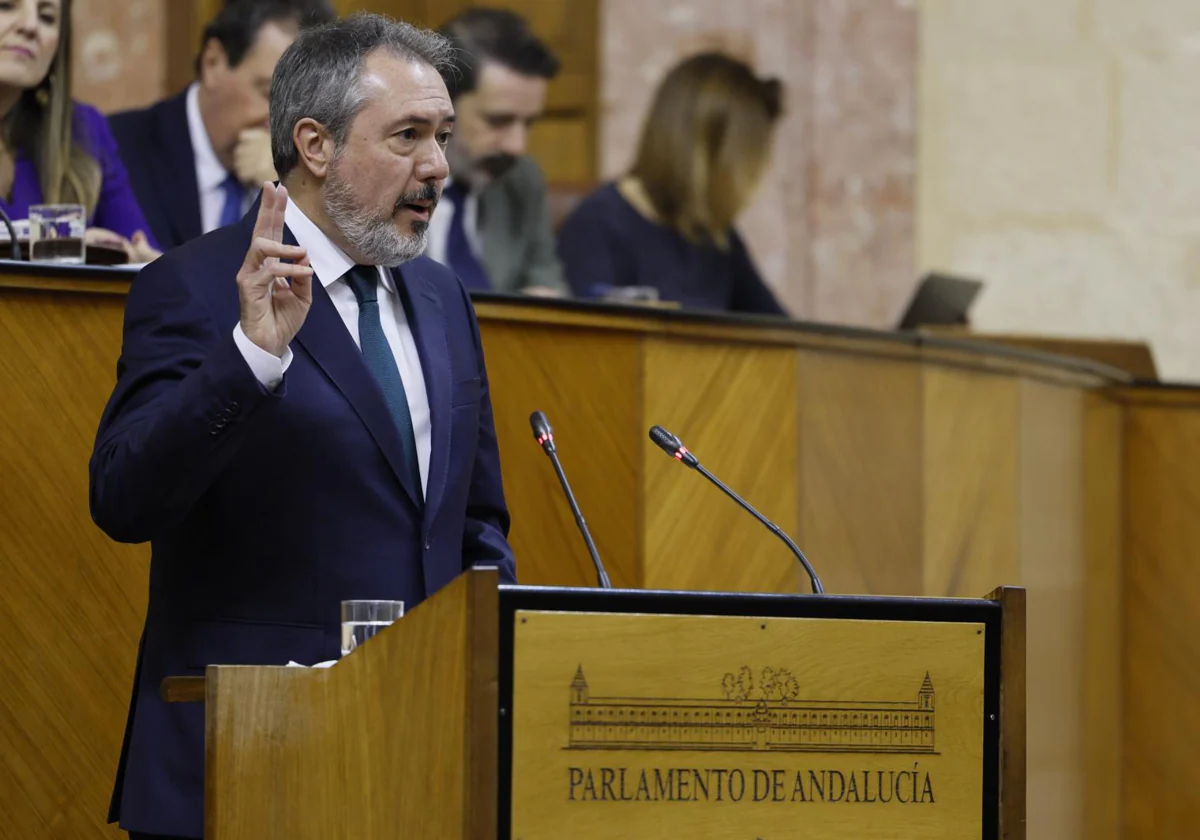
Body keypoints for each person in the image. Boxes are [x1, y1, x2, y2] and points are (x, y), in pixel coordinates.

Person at [90, 13, 514, 839]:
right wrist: (250, 355)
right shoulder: (195, 286)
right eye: (407, 136)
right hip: (245, 759)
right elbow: (123, 499)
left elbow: (475, 520)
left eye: (443, 136)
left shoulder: (442, 298)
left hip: (416, 762)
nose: (436, 167)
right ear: (314, 146)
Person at [557, 52, 786, 315]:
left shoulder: (715, 235)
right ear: (711, 156)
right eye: (751, 159)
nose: (757, 174)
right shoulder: (597, 227)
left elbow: (781, 333)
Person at [109, 0, 335, 252]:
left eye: (303, 107)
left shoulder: (312, 174)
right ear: (213, 63)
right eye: (271, 95)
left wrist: (287, 187)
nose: (286, 123)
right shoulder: (114, 150)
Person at [0, 0, 157, 262]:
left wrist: (130, 256)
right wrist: (63, 247)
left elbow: (144, 251)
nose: (30, 26)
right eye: (5, 6)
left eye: (47, 17)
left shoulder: (83, 129)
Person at [427, 6, 566, 296]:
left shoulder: (521, 180)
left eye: (528, 123)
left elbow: (546, 278)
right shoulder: (388, 179)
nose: (517, 146)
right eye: (498, 121)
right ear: (442, 101)